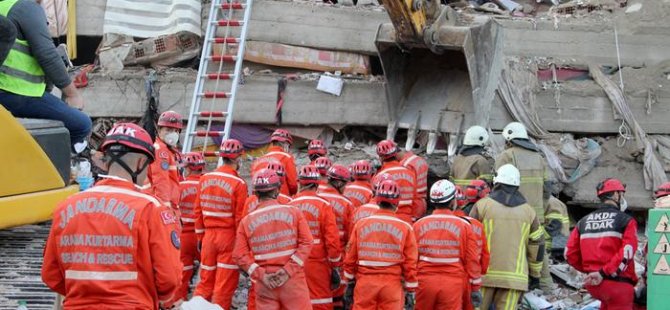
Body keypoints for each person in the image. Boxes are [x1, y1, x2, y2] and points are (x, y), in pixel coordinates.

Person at [41, 122, 181, 309]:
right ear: (141, 163)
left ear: (106, 159)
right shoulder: (151, 209)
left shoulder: (66, 206)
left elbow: (51, 276)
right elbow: (169, 279)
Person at [0, 0, 91, 153]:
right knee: (81, 125)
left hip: (11, 92)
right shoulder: (26, 8)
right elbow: (47, 55)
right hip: (16, 93)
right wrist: (72, 94)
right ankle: (55, 170)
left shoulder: (5, 6)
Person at [233, 168, 314, 309]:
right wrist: (288, 271)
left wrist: (261, 275)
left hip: (265, 284)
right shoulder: (294, 212)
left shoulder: (246, 221)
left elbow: (239, 255)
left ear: (256, 193)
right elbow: (307, 243)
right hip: (293, 281)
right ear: (277, 190)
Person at [470, 164, 544, 310]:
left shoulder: (482, 206)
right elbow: (538, 245)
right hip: (514, 280)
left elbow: (469, 239)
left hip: (483, 276)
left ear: (496, 182)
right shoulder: (529, 212)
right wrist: (535, 275)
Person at [343, 179, 418, 310]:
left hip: (365, 283)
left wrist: (349, 280)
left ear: (377, 199)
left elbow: (350, 256)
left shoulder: (361, 224)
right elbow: (410, 262)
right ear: (397, 202)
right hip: (392, 286)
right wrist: (411, 289)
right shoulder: (405, 228)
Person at [565, 178, 638, 310]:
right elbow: (627, 252)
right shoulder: (626, 221)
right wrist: (603, 273)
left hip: (593, 285)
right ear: (616, 194)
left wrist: (590, 271)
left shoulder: (583, 222)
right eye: (621, 193)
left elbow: (569, 254)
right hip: (618, 285)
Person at [193, 139, 248, 309]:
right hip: (228, 238)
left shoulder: (205, 178)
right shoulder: (239, 184)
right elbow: (240, 218)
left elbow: (198, 211)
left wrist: (200, 238)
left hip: (208, 237)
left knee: (205, 281)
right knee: (223, 285)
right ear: (237, 159)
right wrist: (242, 245)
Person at [413, 179, 482, 310]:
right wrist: (475, 287)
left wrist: (409, 285)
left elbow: (411, 258)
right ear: (452, 202)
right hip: (453, 285)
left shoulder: (418, 225)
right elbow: (472, 260)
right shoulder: (464, 226)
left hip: (423, 284)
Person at [290, 165, 342, 310]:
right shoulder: (323, 205)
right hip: (318, 262)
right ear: (317, 184)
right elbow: (332, 239)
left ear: (300, 183)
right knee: (320, 301)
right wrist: (335, 264)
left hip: (294, 261)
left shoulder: (290, 205)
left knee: (296, 301)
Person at [317, 164, 354, 309]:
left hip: (316, 256)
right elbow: (351, 235)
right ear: (338, 183)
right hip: (338, 254)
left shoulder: (316, 197)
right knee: (337, 295)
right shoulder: (346, 204)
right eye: (345, 184)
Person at [454, 180, 491, 310]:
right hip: (470, 279)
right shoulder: (476, 225)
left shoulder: (431, 223)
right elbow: (484, 256)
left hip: (448, 278)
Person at [176, 152, 205, 302]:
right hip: (203, 236)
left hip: (183, 236)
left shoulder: (179, 186)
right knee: (206, 274)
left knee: (182, 272)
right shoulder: (206, 185)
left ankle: (178, 303)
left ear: (187, 169)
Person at [145, 111, 183, 209]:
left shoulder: (168, 150)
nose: (173, 134)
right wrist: (165, 208)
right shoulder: (161, 151)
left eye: (176, 131)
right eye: (168, 130)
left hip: (163, 203)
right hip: (162, 204)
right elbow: (161, 182)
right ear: (159, 130)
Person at [375, 140, 418, 223]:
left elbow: (375, 201)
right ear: (395, 153)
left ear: (381, 157)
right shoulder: (410, 173)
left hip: (387, 220)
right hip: (407, 219)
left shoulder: (380, 176)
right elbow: (416, 199)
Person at [251, 129, 298, 196]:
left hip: (259, 200)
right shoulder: (287, 157)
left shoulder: (258, 161)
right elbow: (293, 185)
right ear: (285, 144)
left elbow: (254, 186)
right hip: (281, 199)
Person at [399, 148, 429, 219]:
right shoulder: (419, 159)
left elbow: (406, 186)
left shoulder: (406, 165)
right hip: (422, 201)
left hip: (413, 205)